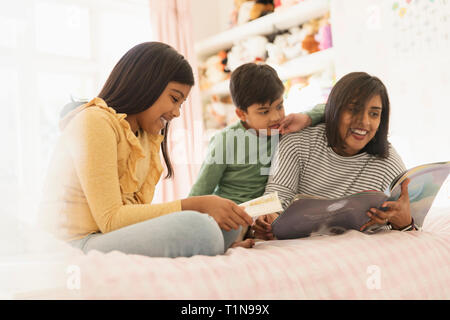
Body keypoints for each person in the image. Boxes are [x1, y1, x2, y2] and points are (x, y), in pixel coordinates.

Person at [38, 42, 255, 258]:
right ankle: (207, 241)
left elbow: (132, 217)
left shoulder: (144, 135)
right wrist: (195, 205)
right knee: (199, 228)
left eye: (181, 103)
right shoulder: (94, 121)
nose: (177, 113)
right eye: (174, 99)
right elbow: (111, 219)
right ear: (146, 84)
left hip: (105, 235)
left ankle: (212, 244)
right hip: (74, 243)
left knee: (228, 225)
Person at [251, 71, 417, 240]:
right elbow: (276, 200)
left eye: (374, 114)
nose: (365, 122)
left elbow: (413, 229)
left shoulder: (387, 160)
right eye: (353, 110)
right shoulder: (297, 143)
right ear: (334, 109)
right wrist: (268, 219)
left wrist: (404, 224)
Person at [189, 62, 325, 246]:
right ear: (241, 114)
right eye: (264, 111)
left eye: (279, 106)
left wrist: (307, 117)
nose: (276, 117)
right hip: (234, 213)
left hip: (266, 214)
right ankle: (228, 241)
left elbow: (330, 109)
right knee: (216, 226)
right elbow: (201, 191)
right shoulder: (225, 140)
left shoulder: (285, 129)